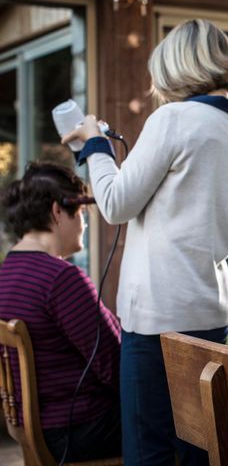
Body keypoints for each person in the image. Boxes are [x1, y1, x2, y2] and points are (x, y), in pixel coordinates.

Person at [62, 19, 228, 465]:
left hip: (160, 313)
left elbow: (113, 204)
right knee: (196, 448)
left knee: (148, 451)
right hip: (210, 308)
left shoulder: (172, 119)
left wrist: (95, 145)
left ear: (176, 69)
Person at [0, 161, 121, 461]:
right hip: (80, 430)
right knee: (183, 420)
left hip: (37, 428)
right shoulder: (61, 279)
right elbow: (116, 367)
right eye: (80, 213)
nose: (84, 223)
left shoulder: (6, 272)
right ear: (57, 211)